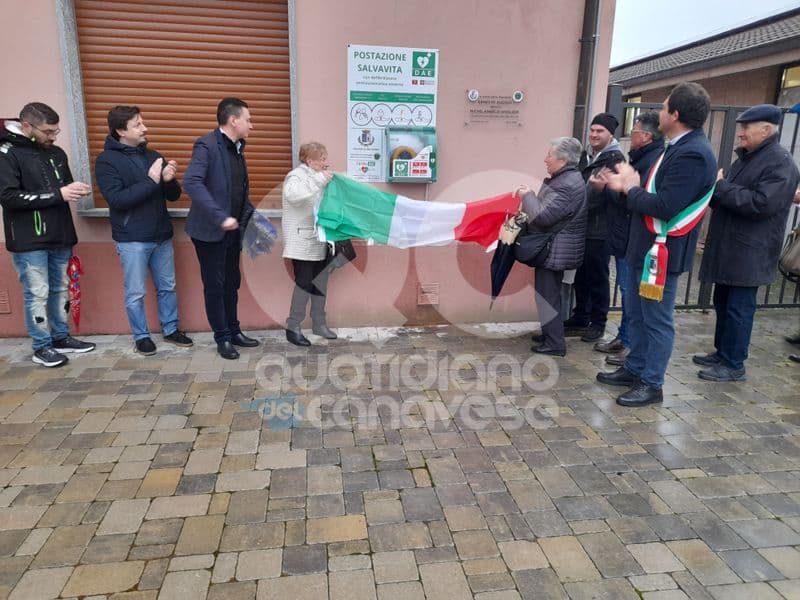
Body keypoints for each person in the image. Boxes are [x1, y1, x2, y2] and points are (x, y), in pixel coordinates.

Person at [598, 82, 717, 407]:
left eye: (664, 107)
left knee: (656, 321)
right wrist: (630, 185)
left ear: (675, 114)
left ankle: (652, 383)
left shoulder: (693, 153)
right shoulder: (678, 146)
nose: (659, 112)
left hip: (662, 254)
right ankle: (634, 368)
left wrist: (629, 188)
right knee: (637, 316)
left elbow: (665, 206)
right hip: (646, 248)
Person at [694, 104, 799, 381]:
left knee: (739, 309)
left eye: (746, 127)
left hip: (750, 251)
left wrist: (721, 187)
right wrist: (716, 190)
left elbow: (761, 204)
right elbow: (727, 196)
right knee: (723, 302)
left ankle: (734, 364)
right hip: (731, 248)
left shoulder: (780, 163)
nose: (740, 133)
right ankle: (722, 352)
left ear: (766, 130)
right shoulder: (746, 159)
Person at [0, 102, 96, 367]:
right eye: (47, 132)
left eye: (56, 131)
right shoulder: (6, 152)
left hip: (60, 235)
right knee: (37, 292)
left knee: (61, 288)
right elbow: (8, 197)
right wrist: (58, 194)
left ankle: (61, 337)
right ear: (26, 126)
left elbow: (62, 188)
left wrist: (74, 189)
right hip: (29, 241)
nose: (53, 137)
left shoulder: (56, 152)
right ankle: (41, 346)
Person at [95, 106, 193, 355]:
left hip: (161, 235)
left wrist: (168, 180)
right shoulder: (106, 161)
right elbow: (118, 199)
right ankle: (141, 336)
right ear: (120, 131)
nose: (145, 128)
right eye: (137, 124)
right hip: (132, 239)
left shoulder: (153, 156)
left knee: (167, 287)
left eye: (143, 123)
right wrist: (151, 181)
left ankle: (171, 329)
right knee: (136, 292)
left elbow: (173, 196)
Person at [184, 98, 259, 360]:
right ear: (233, 120)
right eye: (248, 119)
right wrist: (220, 217)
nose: (251, 125)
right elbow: (191, 182)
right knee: (215, 286)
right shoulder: (207, 145)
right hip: (210, 232)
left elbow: (237, 191)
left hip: (232, 232)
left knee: (231, 283)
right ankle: (222, 337)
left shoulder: (237, 149)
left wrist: (253, 219)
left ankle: (234, 331)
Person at [598, 111, 664, 367]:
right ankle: (624, 338)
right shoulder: (641, 158)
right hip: (625, 235)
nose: (631, 136)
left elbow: (634, 200)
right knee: (627, 292)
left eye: (634, 131)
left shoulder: (652, 161)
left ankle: (631, 346)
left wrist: (617, 187)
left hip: (635, 238)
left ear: (646, 136)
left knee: (632, 294)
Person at [516, 137, 588, 356]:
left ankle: (555, 343)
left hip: (555, 249)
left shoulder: (567, 183)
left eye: (550, 155)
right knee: (547, 294)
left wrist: (527, 195)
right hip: (555, 247)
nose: (546, 159)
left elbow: (543, 216)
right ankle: (550, 334)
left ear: (563, 160)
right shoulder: (565, 179)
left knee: (548, 295)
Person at [563, 113, 625, 342]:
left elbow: (608, 195)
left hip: (600, 229)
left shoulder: (615, 160)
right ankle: (581, 317)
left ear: (610, 134)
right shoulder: (586, 156)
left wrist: (578, 203)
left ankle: (598, 323)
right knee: (581, 275)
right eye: (592, 130)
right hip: (582, 226)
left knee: (598, 277)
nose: (594, 135)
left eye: (600, 131)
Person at [282, 142, 337, 346]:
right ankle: (293, 327)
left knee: (320, 283)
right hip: (302, 241)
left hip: (319, 239)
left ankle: (319, 323)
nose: (325, 162)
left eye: (324, 159)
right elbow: (293, 195)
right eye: (321, 159)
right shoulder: (296, 176)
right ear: (309, 160)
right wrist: (320, 179)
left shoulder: (317, 176)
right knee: (304, 284)